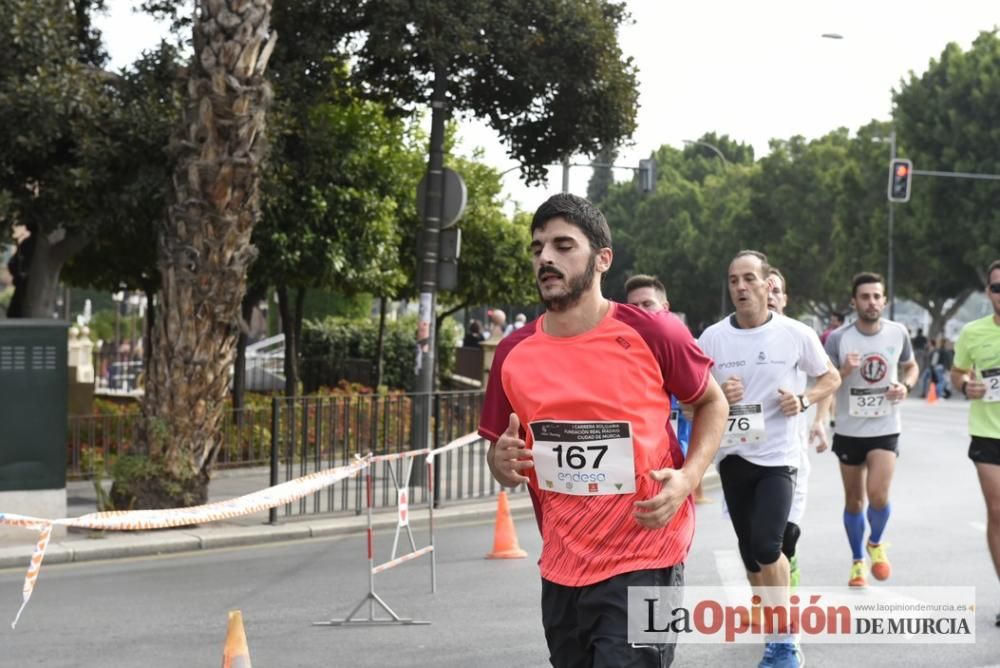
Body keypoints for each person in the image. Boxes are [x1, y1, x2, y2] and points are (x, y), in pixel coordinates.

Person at [479, 193, 728, 667]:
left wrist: (688, 478)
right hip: (563, 564)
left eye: (562, 245)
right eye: (537, 249)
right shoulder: (513, 353)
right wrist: (501, 462)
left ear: (602, 259)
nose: (546, 258)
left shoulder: (655, 333)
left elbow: (711, 402)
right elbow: (499, 457)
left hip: (649, 554)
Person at [697, 250, 839, 668]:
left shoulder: (796, 334)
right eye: (732, 280)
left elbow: (829, 377)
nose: (739, 287)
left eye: (748, 279)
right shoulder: (711, 339)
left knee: (767, 544)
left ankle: (783, 641)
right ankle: (775, 618)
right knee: (751, 553)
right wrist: (721, 396)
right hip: (734, 458)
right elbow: (692, 404)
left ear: (766, 285)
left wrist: (803, 399)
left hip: (779, 458)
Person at [821, 272, 918, 588]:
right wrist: (844, 370)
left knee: (878, 495)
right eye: (865, 297)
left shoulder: (897, 332)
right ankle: (857, 561)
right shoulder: (839, 338)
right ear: (854, 302)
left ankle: (875, 543)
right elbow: (825, 379)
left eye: (877, 296)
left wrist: (906, 386)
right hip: (849, 430)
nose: (872, 302)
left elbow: (911, 366)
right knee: (854, 501)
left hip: (885, 427)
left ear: (885, 300)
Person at [766, 268, 828, 591]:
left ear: (785, 299)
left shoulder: (798, 334)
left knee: (785, 534)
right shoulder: (728, 336)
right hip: (743, 453)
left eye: (777, 291)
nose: (771, 295)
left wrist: (812, 412)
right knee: (755, 543)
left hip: (790, 454)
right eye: (767, 289)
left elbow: (827, 378)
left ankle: (784, 591)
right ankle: (762, 592)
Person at [624, 273, 711, 504]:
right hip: (630, 469)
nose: (641, 311)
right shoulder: (618, 352)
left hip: (675, 465)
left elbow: (711, 402)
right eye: (633, 307)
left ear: (665, 307)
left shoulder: (684, 346)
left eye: (647, 304)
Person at [950, 259, 1000, 627]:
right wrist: (968, 386)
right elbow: (956, 373)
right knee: (998, 513)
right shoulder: (972, 332)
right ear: (988, 293)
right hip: (988, 433)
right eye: (997, 287)